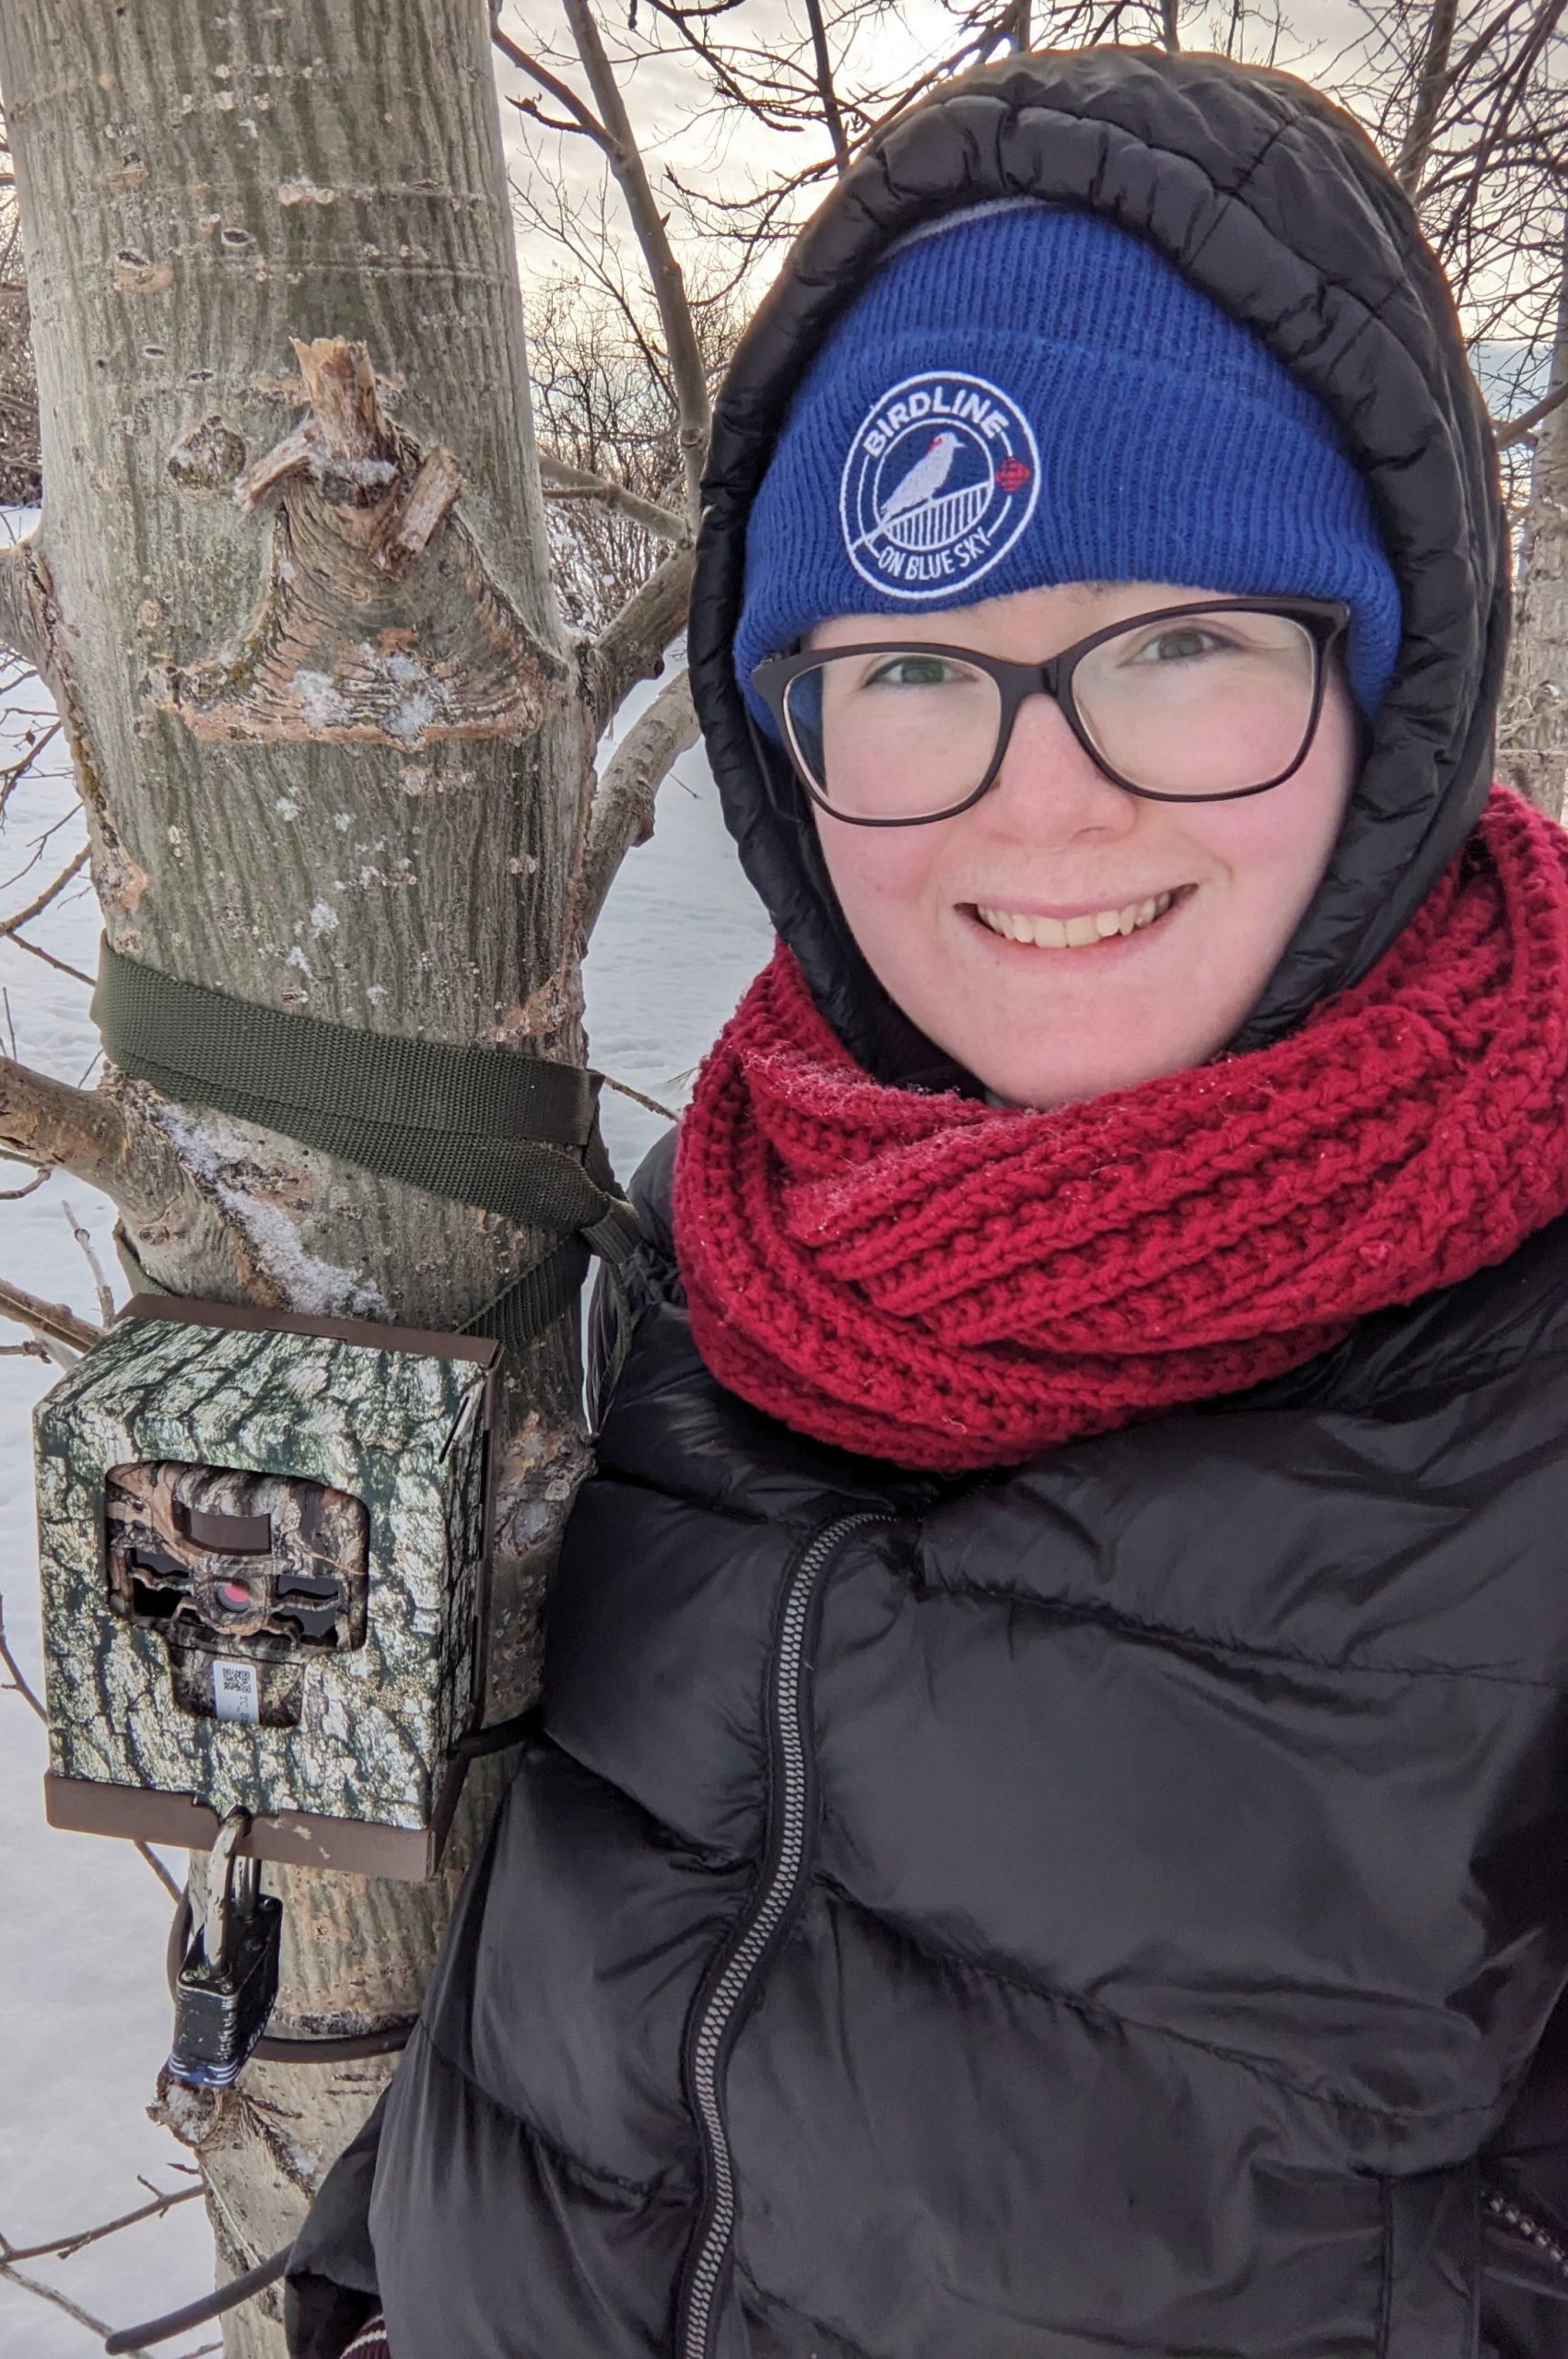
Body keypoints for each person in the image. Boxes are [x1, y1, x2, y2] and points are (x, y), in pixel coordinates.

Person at [287, 42, 1568, 2359]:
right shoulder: (735, 1230)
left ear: (1389, 691)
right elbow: (598, 1938)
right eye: (910, 670)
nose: (1042, 807)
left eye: (1183, 643)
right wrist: (385, 2287)